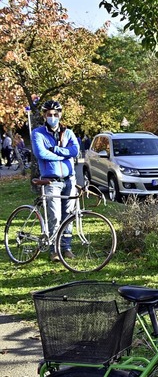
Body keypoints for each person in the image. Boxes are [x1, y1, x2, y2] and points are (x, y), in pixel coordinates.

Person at [31, 100, 80, 262]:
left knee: (69, 215)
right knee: (55, 216)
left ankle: (66, 248)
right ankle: (54, 250)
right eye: (49, 114)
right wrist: (64, 155)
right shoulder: (38, 133)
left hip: (69, 180)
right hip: (51, 181)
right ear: (44, 116)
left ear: (60, 115)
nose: (53, 117)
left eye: (56, 114)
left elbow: (75, 150)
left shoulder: (68, 133)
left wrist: (57, 150)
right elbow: (41, 154)